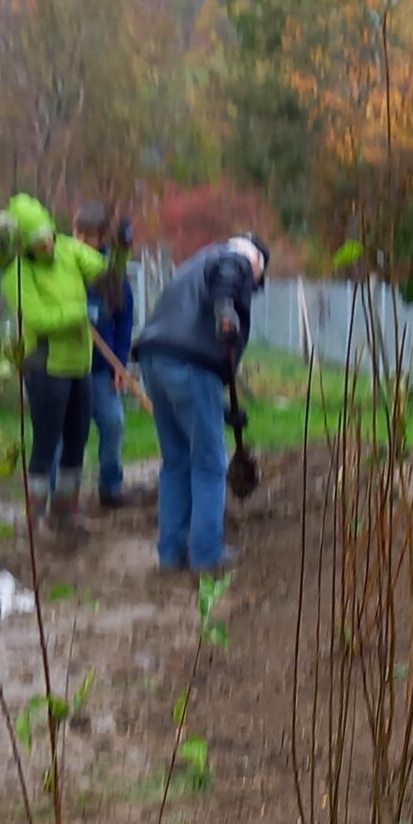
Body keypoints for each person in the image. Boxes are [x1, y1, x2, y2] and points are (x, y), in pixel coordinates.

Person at [133, 233, 268, 575]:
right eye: (256, 282)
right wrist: (226, 310)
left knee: (177, 461)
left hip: (155, 359)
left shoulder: (194, 265)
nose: (251, 290)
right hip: (189, 364)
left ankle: (171, 554)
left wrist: (222, 408)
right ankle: (207, 555)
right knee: (209, 464)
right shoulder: (233, 259)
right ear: (256, 265)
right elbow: (227, 279)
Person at [0, 192, 113, 526]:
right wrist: (80, 312)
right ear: (23, 245)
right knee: (46, 442)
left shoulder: (67, 250)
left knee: (77, 440)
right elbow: (39, 319)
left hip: (79, 365)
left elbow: (99, 266)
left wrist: (114, 261)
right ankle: (35, 517)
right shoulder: (15, 273)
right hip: (45, 367)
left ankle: (65, 511)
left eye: (49, 236)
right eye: (38, 242)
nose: (47, 245)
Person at [74, 203, 139, 508]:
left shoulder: (111, 273)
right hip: (69, 367)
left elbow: (124, 318)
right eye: (81, 237)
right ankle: (62, 498)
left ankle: (110, 487)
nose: (87, 244)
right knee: (70, 434)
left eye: (93, 239)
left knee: (113, 423)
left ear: (102, 239)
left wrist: (120, 362)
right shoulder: (65, 267)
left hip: (103, 367)